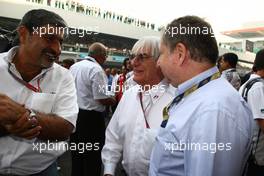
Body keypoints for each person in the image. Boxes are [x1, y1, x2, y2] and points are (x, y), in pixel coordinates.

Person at [149, 16, 253, 176]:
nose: (158, 63)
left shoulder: (212, 111)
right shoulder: (204, 98)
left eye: (161, 54)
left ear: (180, 54)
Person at [0, 9, 78, 175]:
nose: (57, 50)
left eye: (60, 42)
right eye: (49, 38)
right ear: (23, 33)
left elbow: (65, 127)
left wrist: (22, 116)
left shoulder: (63, 77)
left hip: (42, 171)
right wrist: (11, 125)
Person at [102, 36, 174, 176]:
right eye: (133, 56)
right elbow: (113, 137)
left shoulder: (176, 101)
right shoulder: (129, 95)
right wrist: (109, 170)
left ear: (160, 62)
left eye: (142, 57)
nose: (133, 63)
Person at [70, 42, 116, 176]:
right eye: (106, 55)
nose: (106, 59)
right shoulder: (96, 69)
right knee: (92, 156)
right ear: (100, 56)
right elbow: (101, 98)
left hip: (75, 115)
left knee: (77, 154)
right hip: (91, 120)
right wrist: (113, 99)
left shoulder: (74, 66)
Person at [239, 49, 264, 176]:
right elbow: (262, 122)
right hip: (257, 156)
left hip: (247, 150)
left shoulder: (248, 83)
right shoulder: (259, 87)